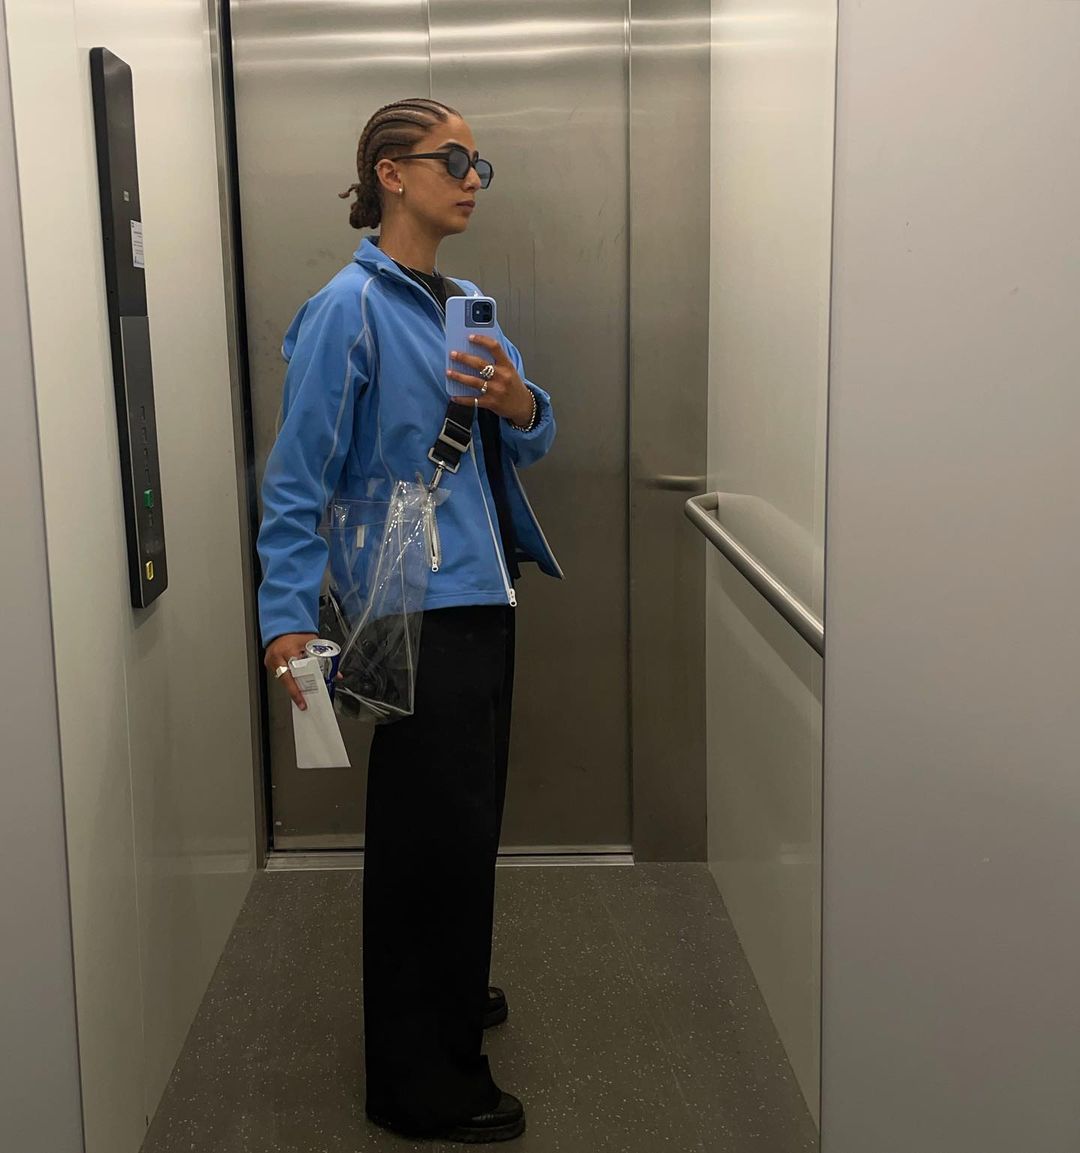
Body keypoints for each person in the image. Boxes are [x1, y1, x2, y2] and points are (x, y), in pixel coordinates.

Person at [256, 97, 561, 1143]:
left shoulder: (466, 302)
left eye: (481, 164)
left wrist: (517, 401)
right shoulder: (346, 308)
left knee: (462, 828)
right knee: (426, 842)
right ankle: (419, 1081)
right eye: (454, 159)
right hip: (409, 604)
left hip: (485, 594)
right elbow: (296, 481)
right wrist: (284, 617)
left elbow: (534, 434)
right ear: (391, 172)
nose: (473, 178)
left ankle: (448, 987)